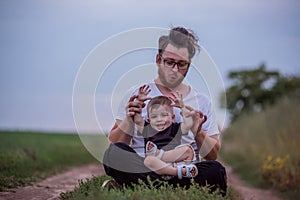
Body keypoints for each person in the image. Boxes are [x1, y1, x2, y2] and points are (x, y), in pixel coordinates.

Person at [103, 26, 227, 195]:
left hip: (184, 170)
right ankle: (173, 190)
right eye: (169, 62)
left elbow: (212, 155)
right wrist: (129, 119)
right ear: (158, 59)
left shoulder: (202, 101)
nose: (175, 69)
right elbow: (116, 142)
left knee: (216, 170)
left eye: (181, 64)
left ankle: (138, 186)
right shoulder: (137, 94)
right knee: (114, 154)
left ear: (189, 65)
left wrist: (197, 131)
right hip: (145, 166)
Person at [134, 85, 202, 180]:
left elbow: (189, 123)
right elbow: (137, 119)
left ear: (173, 117)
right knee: (148, 160)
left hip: (175, 161)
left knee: (188, 150)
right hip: (159, 167)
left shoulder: (175, 128)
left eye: (164, 115)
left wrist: (182, 106)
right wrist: (139, 102)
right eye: (154, 117)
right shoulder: (147, 130)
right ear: (149, 120)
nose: (159, 120)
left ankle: (160, 155)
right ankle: (178, 172)